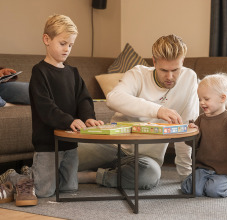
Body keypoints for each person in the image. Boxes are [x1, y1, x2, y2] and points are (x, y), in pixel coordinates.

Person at [1, 14, 103, 206]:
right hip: (48, 143)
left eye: (71, 45)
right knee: (43, 190)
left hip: (70, 143)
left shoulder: (73, 72)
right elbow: (45, 106)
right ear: (47, 39)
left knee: (69, 188)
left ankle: (35, 172)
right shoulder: (39, 72)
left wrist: (88, 117)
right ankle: (15, 176)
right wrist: (68, 120)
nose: (67, 49)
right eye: (63, 43)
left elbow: (84, 99)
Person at [77, 34, 199, 189]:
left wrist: (186, 175)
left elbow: (185, 129)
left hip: (145, 159)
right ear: (154, 62)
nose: (170, 77)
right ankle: (113, 172)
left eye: (175, 70)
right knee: (62, 156)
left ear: (183, 61)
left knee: (150, 175)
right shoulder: (138, 74)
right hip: (113, 146)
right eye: (163, 70)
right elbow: (113, 98)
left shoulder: (189, 79)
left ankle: (94, 176)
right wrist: (157, 110)